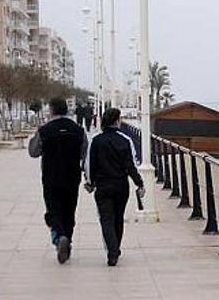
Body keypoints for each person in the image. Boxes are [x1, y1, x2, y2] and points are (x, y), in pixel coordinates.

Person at [28, 97, 87, 264]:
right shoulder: (78, 130)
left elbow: (33, 152)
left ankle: (60, 236)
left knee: (53, 209)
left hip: (51, 177)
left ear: (52, 110)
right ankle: (67, 238)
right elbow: (84, 153)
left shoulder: (45, 130)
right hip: (72, 177)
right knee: (69, 210)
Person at [87, 108, 144, 266]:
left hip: (103, 185)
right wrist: (139, 183)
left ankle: (112, 251)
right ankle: (115, 247)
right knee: (118, 218)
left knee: (106, 218)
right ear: (117, 121)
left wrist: (90, 182)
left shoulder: (96, 140)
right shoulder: (125, 140)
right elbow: (131, 165)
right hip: (121, 186)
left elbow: (89, 164)